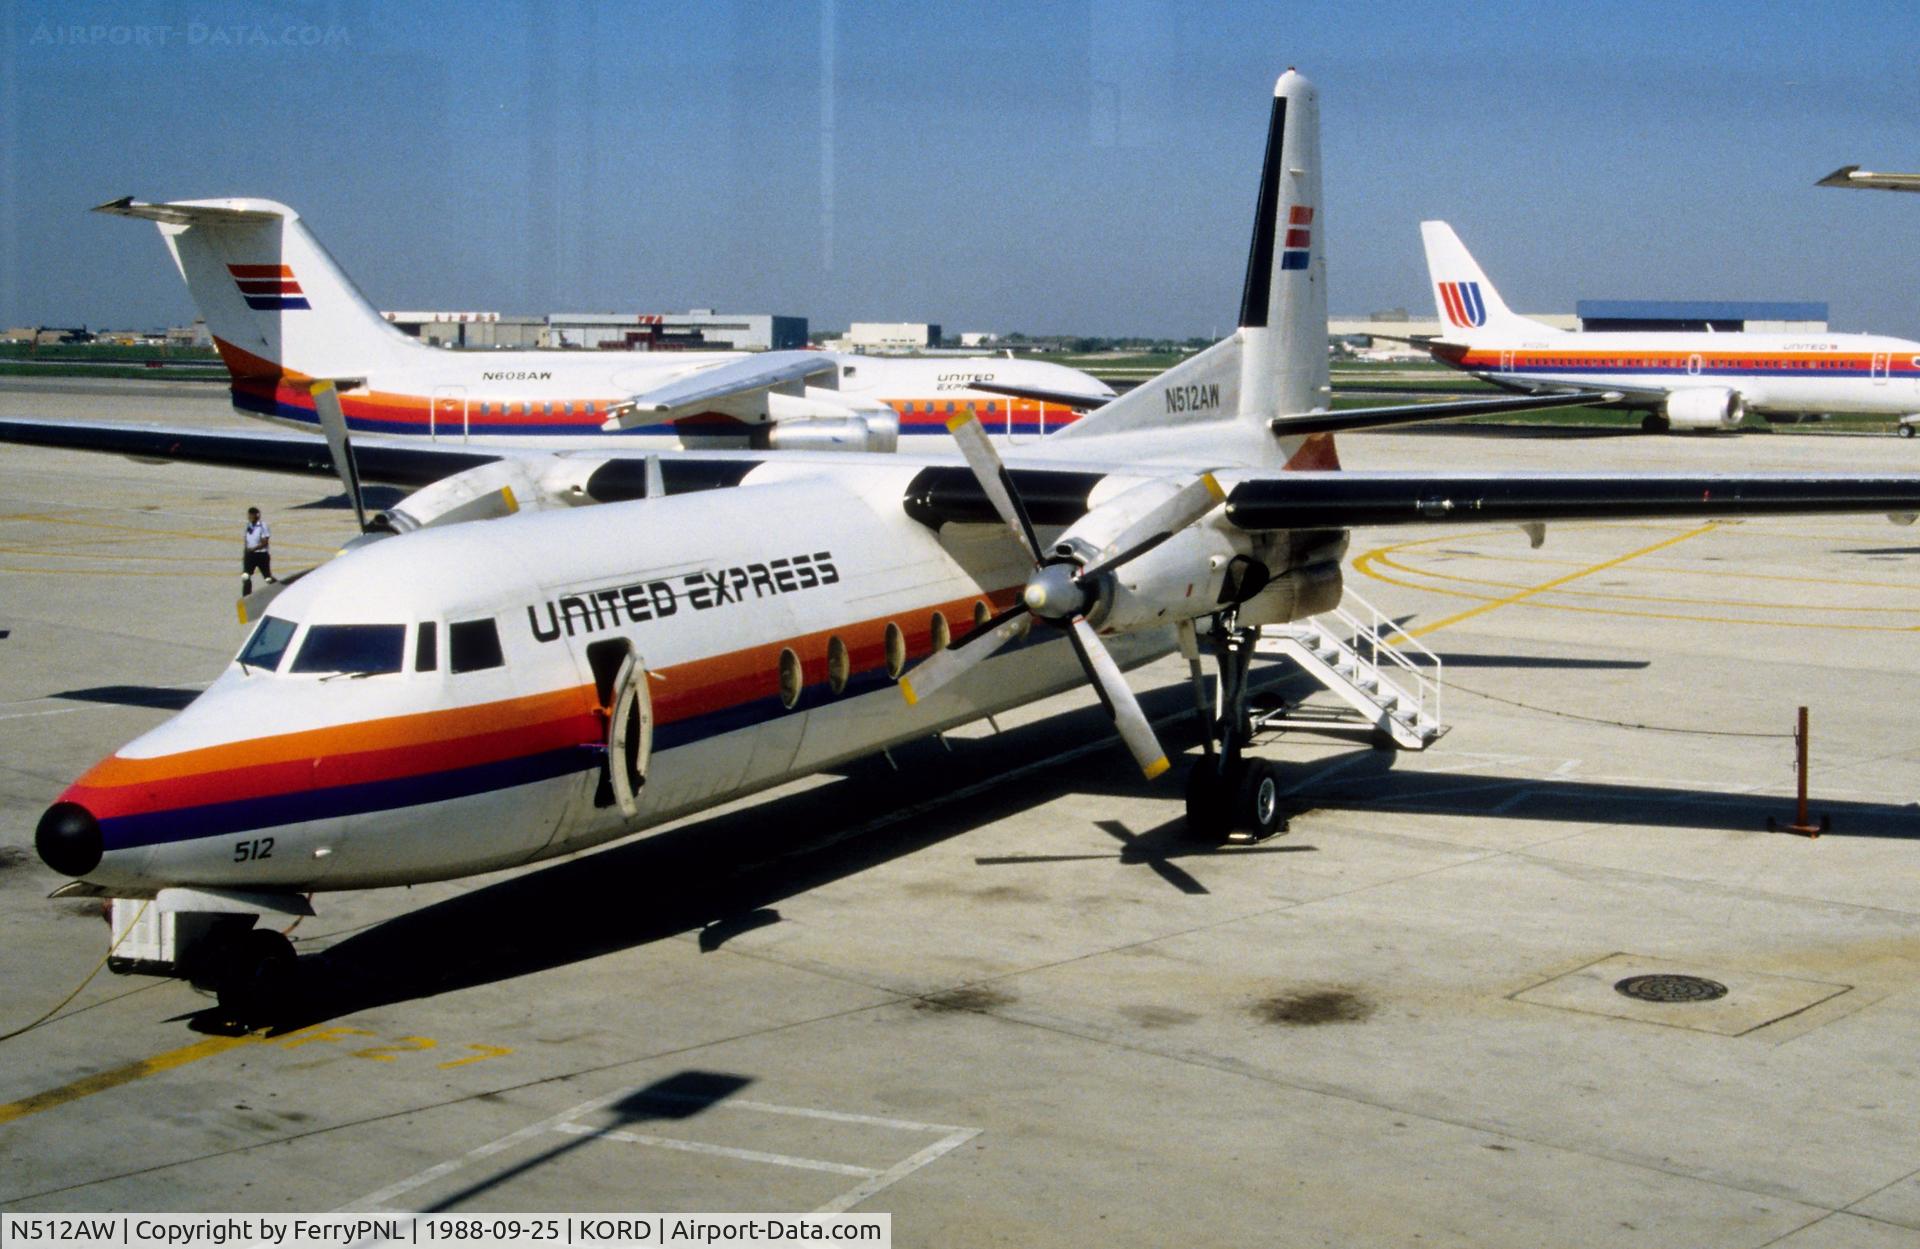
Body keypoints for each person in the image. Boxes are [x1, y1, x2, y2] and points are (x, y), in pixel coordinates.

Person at [242, 507, 277, 596]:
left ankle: (279, 590)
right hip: (250, 555)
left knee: (267, 578)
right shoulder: (249, 525)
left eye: (252, 515)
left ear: (257, 515)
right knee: (246, 576)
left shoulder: (262, 526)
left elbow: (265, 542)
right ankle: (246, 596)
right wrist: (246, 551)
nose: (250, 517)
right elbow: (247, 538)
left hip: (261, 555)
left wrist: (254, 548)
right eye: (249, 515)